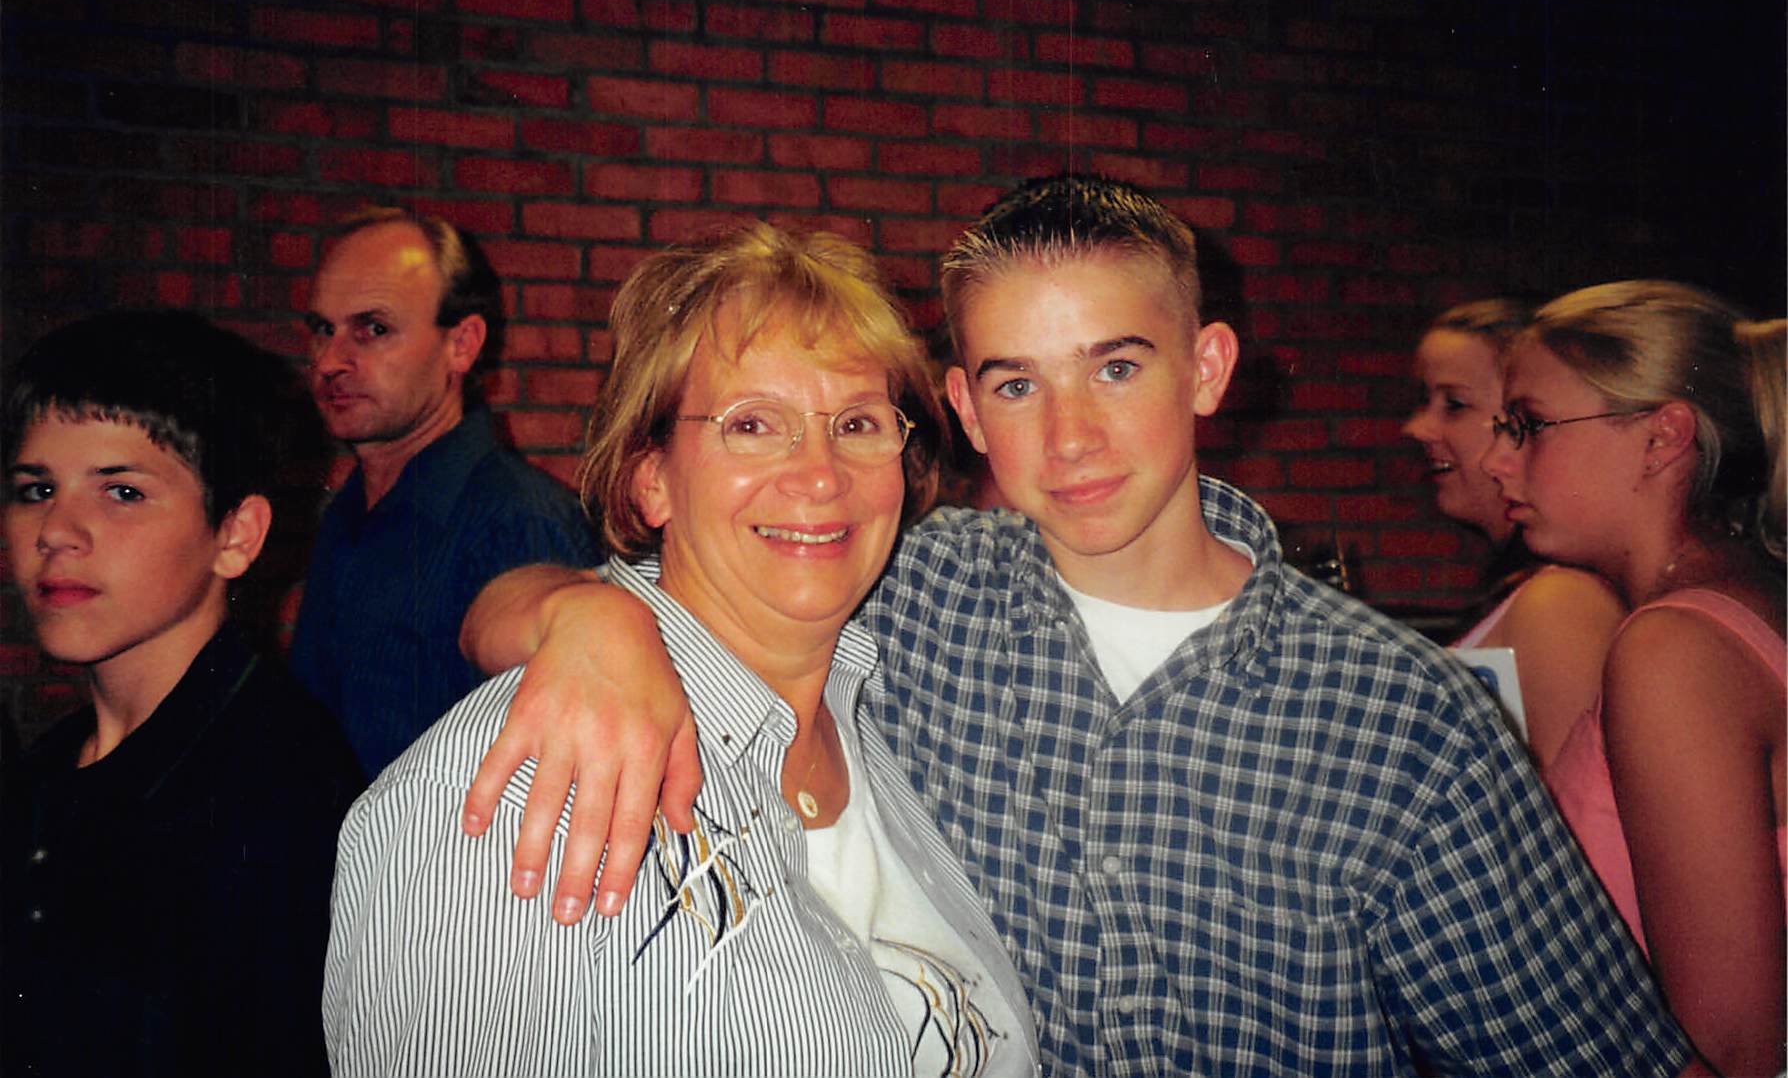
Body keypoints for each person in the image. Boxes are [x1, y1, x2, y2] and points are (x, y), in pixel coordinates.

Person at [459, 176, 1700, 1076]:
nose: (1071, 437)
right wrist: (587, 617)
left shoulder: (1400, 717)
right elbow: (543, 601)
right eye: (1017, 382)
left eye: (1116, 367)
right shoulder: (898, 589)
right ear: (963, 407)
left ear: (1207, 368)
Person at [323, 224, 1038, 1077]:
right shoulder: (518, 796)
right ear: (650, 478)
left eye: (856, 422)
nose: (820, 475)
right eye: (752, 424)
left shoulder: (884, 720)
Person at [0, 311, 364, 1078]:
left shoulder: (278, 785)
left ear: (235, 535)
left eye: (121, 491)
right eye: (36, 489)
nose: (57, 530)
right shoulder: (49, 770)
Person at [1483, 280, 1786, 1076]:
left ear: (1661, 438)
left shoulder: (1675, 647)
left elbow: (1728, 1050)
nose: (1495, 460)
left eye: (1529, 425)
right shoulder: (1730, 605)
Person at [290, 207, 598, 776]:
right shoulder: (348, 512)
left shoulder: (520, 525)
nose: (330, 362)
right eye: (323, 330)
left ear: (462, 344)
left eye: (373, 330)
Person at [1403, 299, 1625, 767]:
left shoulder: (1561, 602)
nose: (1418, 427)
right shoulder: (1536, 590)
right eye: (1424, 401)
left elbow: (1571, 805)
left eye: (1455, 404)